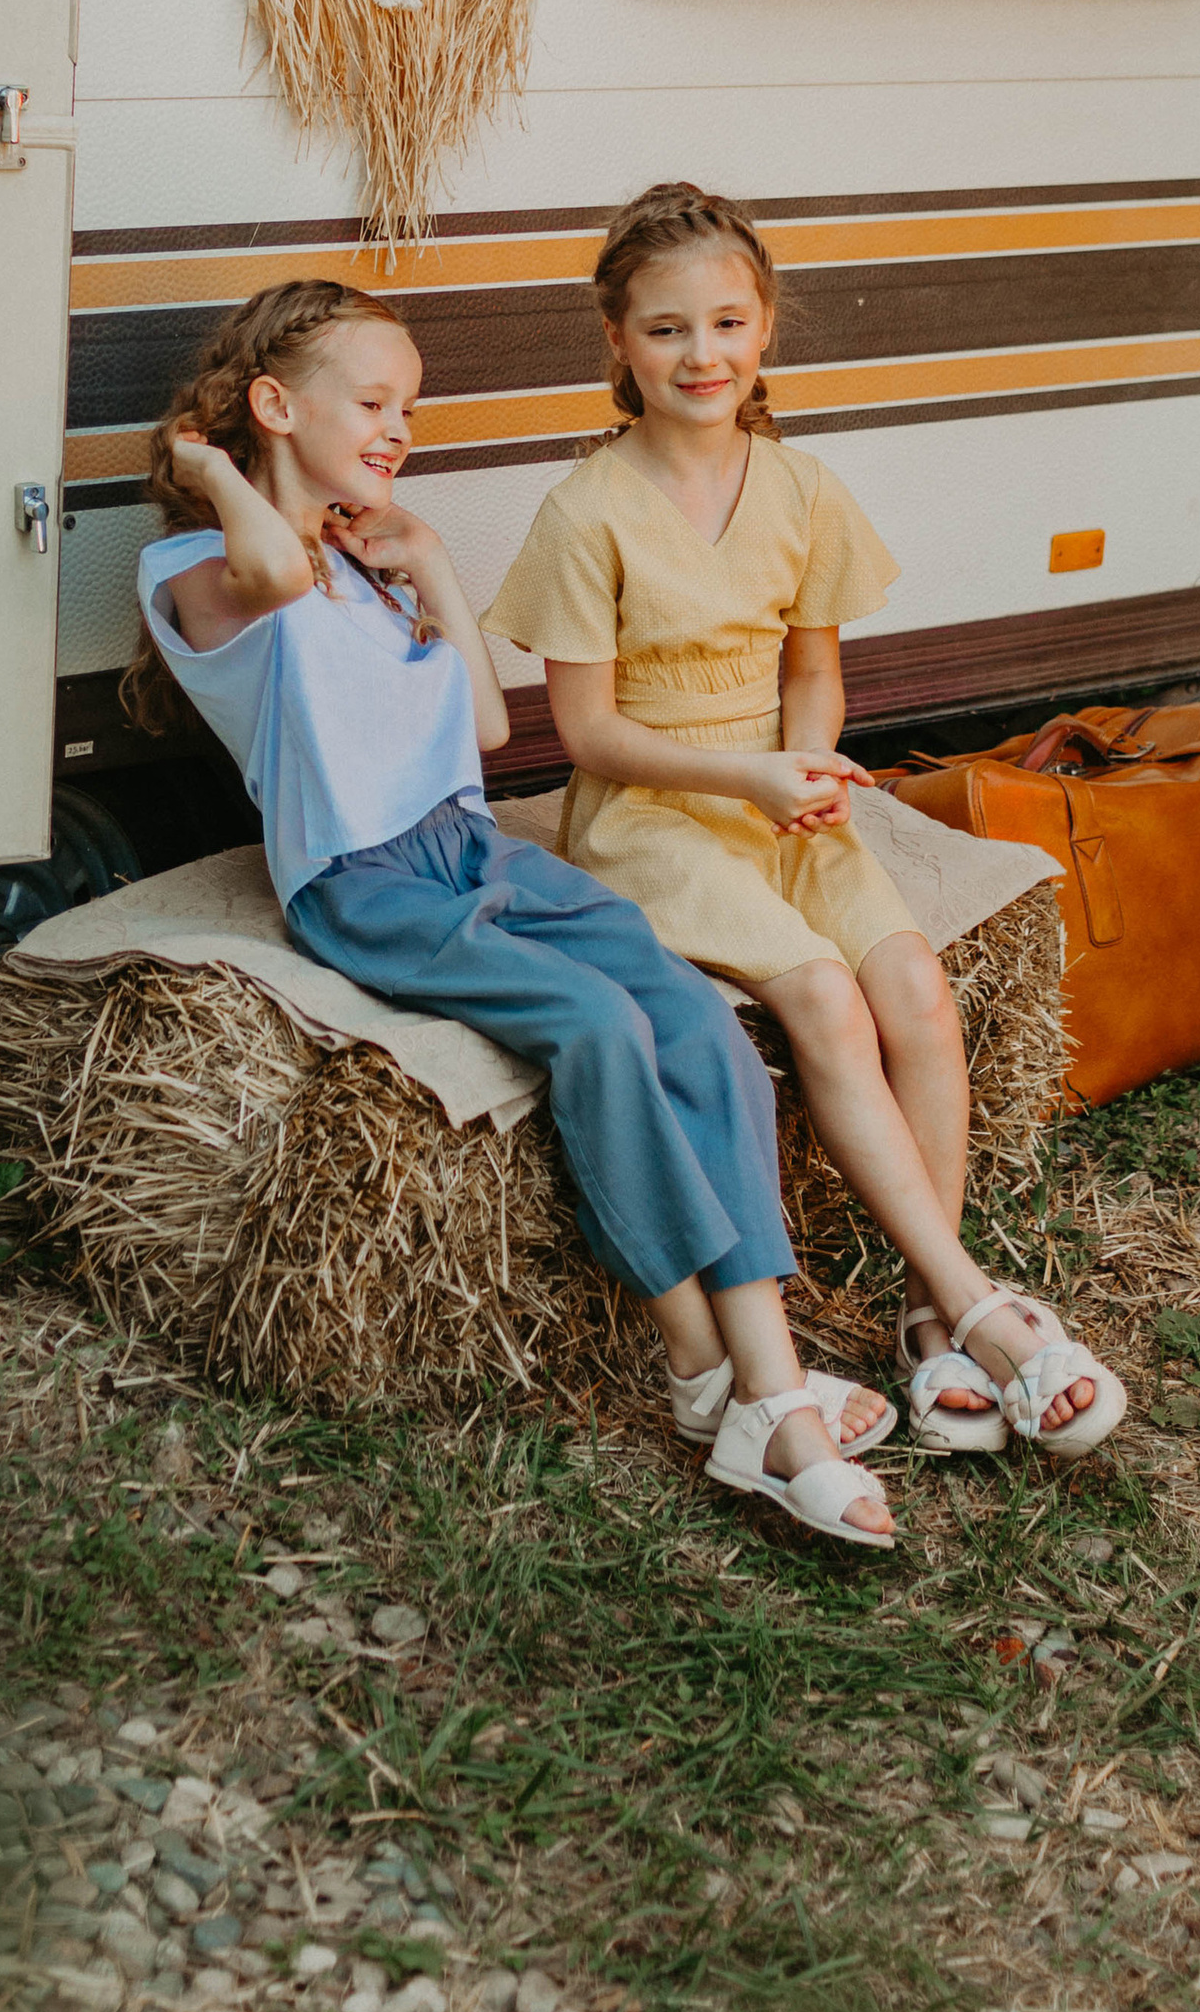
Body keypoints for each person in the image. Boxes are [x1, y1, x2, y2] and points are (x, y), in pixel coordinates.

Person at [122, 277, 900, 1546]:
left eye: (409, 411)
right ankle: (723, 1376)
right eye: (374, 404)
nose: (397, 431)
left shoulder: (368, 572)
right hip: (362, 881)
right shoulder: (199, 572)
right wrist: (210, 465)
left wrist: (427, 562)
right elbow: (265, 564)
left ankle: (755, 1380)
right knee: (593, 1026)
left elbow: (483, 728)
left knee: (687, 1012)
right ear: (275, 404)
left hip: (470, 847)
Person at [483, 183, 1124, 1460]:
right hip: (658, 815)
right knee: (825, 999)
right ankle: (979, 1309)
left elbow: (813, 669)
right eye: (666, 329)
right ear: (616, 341)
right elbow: (587, 734)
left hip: (785, 795)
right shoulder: (586, 510)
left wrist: (811, 759)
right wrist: (751, 780)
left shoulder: (801, 487)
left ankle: (930, 1315)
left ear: (765, 325)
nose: (701, 354)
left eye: (727, 323)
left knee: (918, 991)